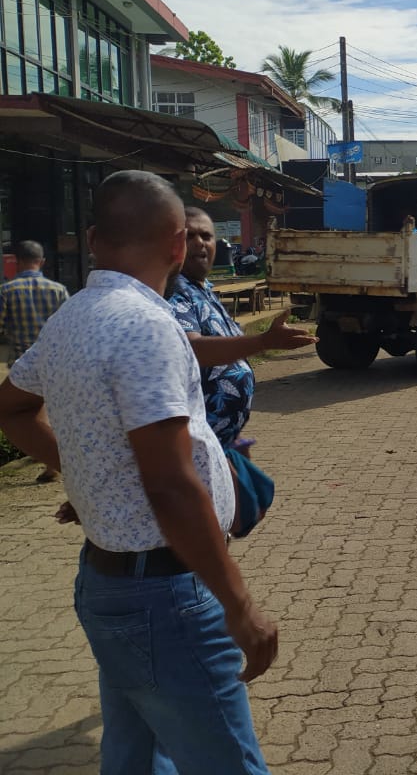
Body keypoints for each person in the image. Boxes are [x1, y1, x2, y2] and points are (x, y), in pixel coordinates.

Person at [0, 170, 277, 775]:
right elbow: (171, 486)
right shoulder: (146, 326)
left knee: (134, 757)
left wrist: (86, 471)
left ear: (94, 238)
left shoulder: (74, 317)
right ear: (178, 245)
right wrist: (239, 604)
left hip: (111, 585)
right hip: (166, 595)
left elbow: (12, 407)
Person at [169, 207, 315, 449]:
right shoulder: (176, 291)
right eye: (189, 236)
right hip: (198, 447)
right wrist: (265, 341)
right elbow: (192, 348)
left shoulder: (203, 289)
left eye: (206, 236)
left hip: (224, 441)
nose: (199, 243)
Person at [0, 240, 69, 483]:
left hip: (22, 362)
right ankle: (59, 463)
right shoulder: (58, 290)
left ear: (17, 262)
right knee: (53, 410)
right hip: (55, 359)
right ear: (42, 262)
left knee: (32, 414)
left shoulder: (7, 290)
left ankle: (54, 463)